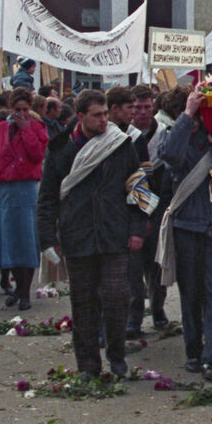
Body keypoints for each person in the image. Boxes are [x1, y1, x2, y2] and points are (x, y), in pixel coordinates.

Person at [38, 89, 146, 379]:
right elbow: (48, 195)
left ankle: (117, 357)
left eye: (105, 114)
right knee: (83, 303)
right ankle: (87, 365)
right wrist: (47, 238)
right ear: (81, 116)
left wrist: (137, 229)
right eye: (97, 115)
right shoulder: (60, 147)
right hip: (77, 235)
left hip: (114, 234)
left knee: (116, 297)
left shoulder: (121, 144)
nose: (103, 120)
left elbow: (139, 189)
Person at [157, 89, 212, 381]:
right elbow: (170, 157)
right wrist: (186, 117)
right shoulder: (173, 135)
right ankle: (193, 351)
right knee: (191, 293)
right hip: (188, 225)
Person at [0, 88, 48, 311]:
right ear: (10, 108)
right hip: (6, 190)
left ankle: (25, 292)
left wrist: (26, 130)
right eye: (17, 110)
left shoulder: (37, 127)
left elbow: (38, 154)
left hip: (27, 189)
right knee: (11, 241)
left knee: (27, 241)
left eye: (25, 110)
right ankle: (18, 288)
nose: (21, 114)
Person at [126, 85, 168, 337]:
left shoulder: (163, 134)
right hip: (134, 208)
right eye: (137, 108)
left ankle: (159, 307)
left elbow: (163, 181)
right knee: (133, 268)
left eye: (146, 107)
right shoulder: (126, 137)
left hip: (158, 207)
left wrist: (154, 215)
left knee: (157, 266)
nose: (142, 112)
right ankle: (134, 315)